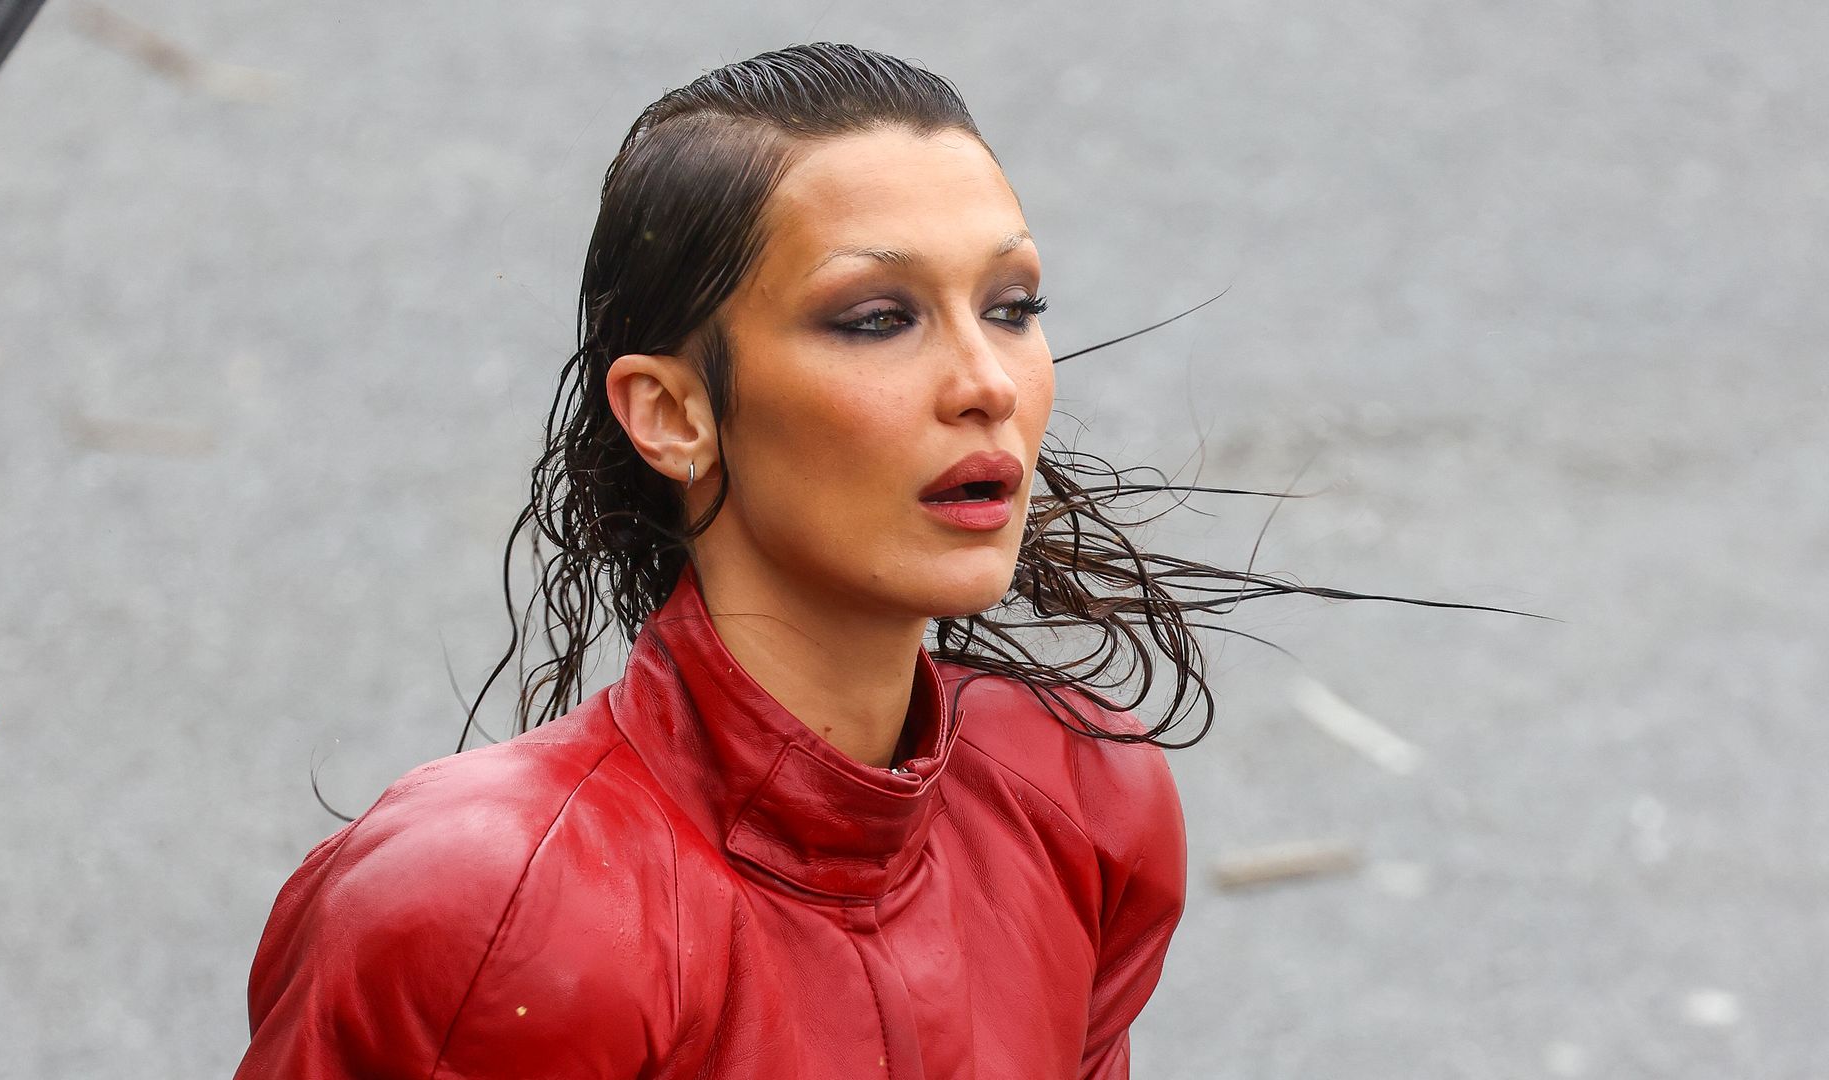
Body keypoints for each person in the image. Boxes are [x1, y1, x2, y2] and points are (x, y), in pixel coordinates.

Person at [236, 42, 1203, 1079]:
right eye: (878, 320)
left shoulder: (1076, 797)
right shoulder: (504, 917)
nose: (989, 384)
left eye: (1011, 308)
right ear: (672, 414)